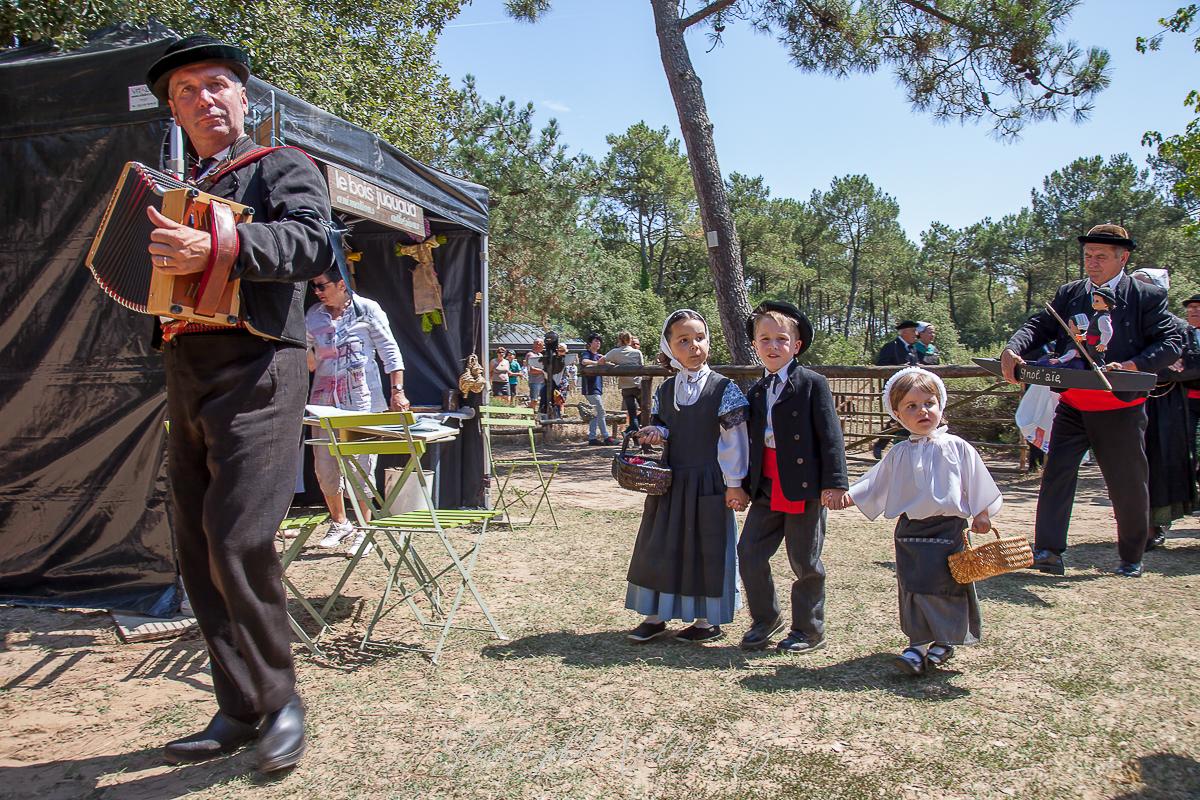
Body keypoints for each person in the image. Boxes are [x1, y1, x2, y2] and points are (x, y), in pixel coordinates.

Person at [144, 35, 337, 771]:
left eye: (217, 84)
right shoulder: (168, 190)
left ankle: (283, 702)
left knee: (235, 539)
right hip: (186, 367)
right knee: (197, 547)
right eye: (187, 90)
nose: (204, 98)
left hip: (260, 363)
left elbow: (311, 246)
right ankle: (238, 707)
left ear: (243, 97)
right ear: (174, 109)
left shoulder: (281, 165)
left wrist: (218, 250)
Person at [1001, 224, 1182, 578]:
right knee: (1057, 475)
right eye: (1087, 256)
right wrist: (1013, 347)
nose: (1092, 263)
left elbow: (1171, 343)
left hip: (1121, 409)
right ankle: (1048, 551)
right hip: (1073, 404)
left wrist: (1132, 365)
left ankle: (1131, 557)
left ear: (1123, 257)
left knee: (1127, 483)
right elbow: (1039, 325)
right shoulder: (1070, 294)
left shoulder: (1146, 297)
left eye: (1101, 257)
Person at [834, 367, 1002, 676]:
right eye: (911, 406)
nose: (922, 411)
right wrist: (852, 495)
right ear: (897, 414)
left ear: (941, 404)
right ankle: (917, 644)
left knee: (944, 586)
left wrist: (982, 513)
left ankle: (943, 641)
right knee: (912, 586)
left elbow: (978, 480)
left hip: (949, 530)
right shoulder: (898, 453)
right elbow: (875, 483)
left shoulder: (958, 447)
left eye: (929, 403)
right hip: (911, 531)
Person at [625, 309, 749, 644]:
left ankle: (706, 620)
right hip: (671, 481)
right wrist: (656, 431)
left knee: (707, 547)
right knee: (661, 544)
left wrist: (735, 483)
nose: (694, 346)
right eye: (684, 340)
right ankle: (655, 614)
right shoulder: (666, 390)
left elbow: (734, 441)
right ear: (670, 348)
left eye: (700, 337)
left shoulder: (725, 388)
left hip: (709, 480)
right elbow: (669, 427)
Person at [737, 301, 848, 654]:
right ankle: (766, 618)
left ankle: (809, 629)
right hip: (766, 486)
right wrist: (740, 485)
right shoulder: (755, 391)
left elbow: (831, 436)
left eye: (781, 339)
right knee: (749, 552)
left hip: (804, 486)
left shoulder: (812, 384)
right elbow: (750, 444)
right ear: (755, 345)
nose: (773, 347)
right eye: (765, 339)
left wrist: (834, 483)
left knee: (805, 561)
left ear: (796, 346)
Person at [305, 268, 408, 553]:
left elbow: (389, 349)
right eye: (313, 287)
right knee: (324, 465)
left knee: (361, 464)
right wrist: (305, 352)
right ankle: (340, 523)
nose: (317, 292)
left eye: (322, 286)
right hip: (323, 401)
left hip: (361, 400)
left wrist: (397, 390)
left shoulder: (366, 309)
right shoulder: (314, 314)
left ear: (341, 284)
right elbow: (307, 356)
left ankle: (365, 528)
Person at [873, 320, 919, 459]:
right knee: (898, 418)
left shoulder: (912, 348)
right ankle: (881, 445)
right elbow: (880, 365)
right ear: (904, 332)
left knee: (901, 419)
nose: (915, 334)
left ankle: (881, 445)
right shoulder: (890, 346)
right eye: (912, 331)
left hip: (910, 388)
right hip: (896, 389)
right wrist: (899, 367)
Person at [604, 331, 645, 435]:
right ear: (630, 340)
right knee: (647, 410)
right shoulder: (637, 353)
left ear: (619, 340)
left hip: (626, 388)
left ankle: (629, 432)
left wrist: (613, 365)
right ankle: (630, 432)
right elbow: (642, 368)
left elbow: (601, 361)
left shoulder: (615, 352)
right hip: (637, 386)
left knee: (632, 414)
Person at [580, 333, 616, 445]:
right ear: (590, 344)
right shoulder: (586, 353)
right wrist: (597, 363)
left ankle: (592, 438)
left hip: (597, 388)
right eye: (595, 341)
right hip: (590, 389)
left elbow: (610, 362)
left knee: (595, 414)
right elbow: (584, 362)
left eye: (599, 341)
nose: (598, 343)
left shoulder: (600, 356)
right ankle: (606, 437)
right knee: (601, 412)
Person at [525, 338, 547, 414]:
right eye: (542, 345)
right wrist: (543, 371)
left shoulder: (540, 355)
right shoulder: (530, 355)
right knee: (534, 399)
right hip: (534, 381)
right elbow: (531, 369)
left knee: (542, 400)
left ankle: (534, 414)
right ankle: (528, 413)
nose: (543, 347)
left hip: (542, 381)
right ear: (538, 344)